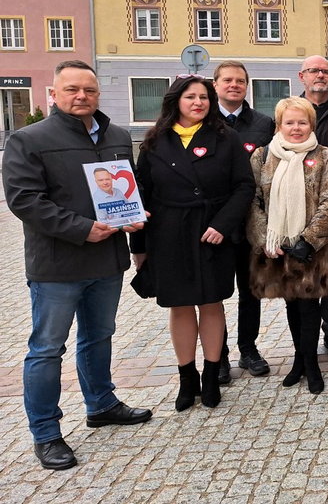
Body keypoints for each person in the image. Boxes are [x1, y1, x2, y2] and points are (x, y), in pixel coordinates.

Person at [3, 60, 152, 470]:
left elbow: (126, 187)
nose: (81, 96)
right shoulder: (29, 139)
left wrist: (132, 216)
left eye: (88, 90)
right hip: (57, 265)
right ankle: (47, 433)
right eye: (71, 90)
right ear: (54, 93)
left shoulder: (118, 136)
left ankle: (101, 403)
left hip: (106, 261)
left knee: (99, 336)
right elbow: (25, 201)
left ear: (97, 94)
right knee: (47, 349)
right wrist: (82, 228)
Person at [131, 75, 255, 411]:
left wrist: (222, 224)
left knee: (212, 304)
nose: (198, 103)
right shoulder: (156, 141)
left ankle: (212, 375)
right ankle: (188, 377)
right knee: (180, 306)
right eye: (190, 97)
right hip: (168, 234)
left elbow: (244, 187)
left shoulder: (225, 137)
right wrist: (139, 247)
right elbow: (141, 193)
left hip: (211, 232)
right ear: (176, 101)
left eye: (203, 97)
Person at [245, 97, 328, 394]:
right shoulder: (262, 157)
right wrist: (264, 240)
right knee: (291, 302)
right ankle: (299, 359)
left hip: (313, 248)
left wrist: (309, 240)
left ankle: (311, 364)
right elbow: (254, 202)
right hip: (277, 246)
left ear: (311, 124)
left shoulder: (324, 155)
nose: (296, 128)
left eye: (302, 122)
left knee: (310, 304)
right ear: (279, 125)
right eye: (290, 122)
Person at [214, 60, 276, 383]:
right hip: (216, 225)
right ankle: (219, 355)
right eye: (227, 80)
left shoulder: (263, 124)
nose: (234, 85)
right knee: (217, 293)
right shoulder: (204, 122)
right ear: (216, 85)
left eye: (240, 81)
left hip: (251, 223)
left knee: (251, 290)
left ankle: (248, 349)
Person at [298, 54, 328, 361]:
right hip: (300, 208)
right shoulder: (292, 109)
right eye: (314, 70)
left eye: (325, 71)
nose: (320, 75)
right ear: (302, 76)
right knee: (302, 275)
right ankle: (305, 338)